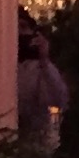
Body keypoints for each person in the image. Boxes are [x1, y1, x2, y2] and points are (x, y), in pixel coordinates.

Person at [16, 20, 68, 151]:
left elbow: (58, 100)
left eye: (23, 26)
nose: (19, 32)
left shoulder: (41, 68)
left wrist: (44, 59)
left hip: (35, 144)